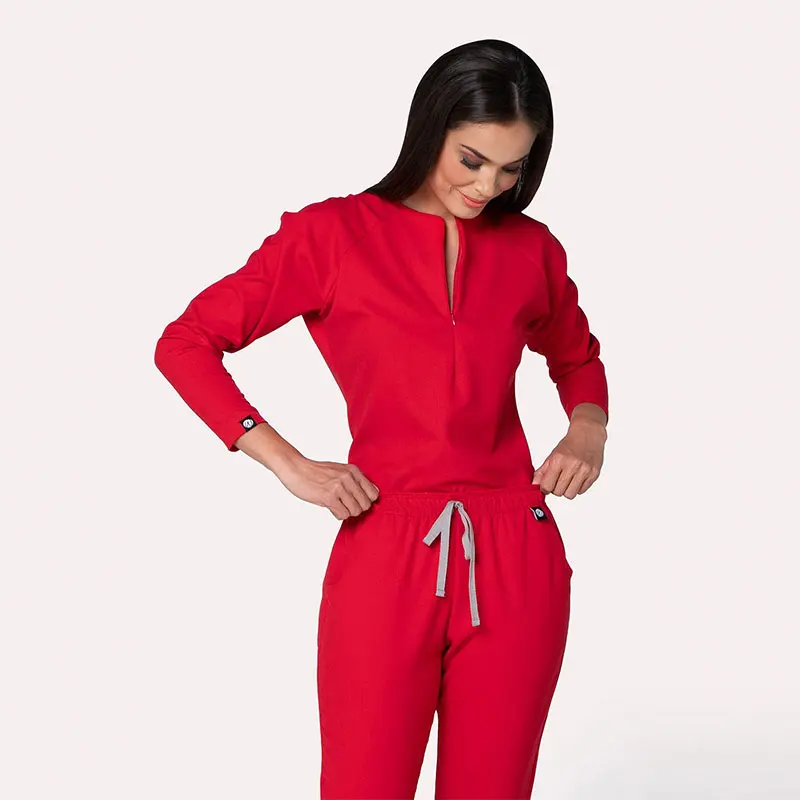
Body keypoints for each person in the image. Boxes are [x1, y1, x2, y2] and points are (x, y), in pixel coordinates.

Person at [154, 37, 609, 800]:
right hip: (386, 541)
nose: (488, 186)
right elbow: (186, 343)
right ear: (431, 128)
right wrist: (288, 463)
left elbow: (577, 359)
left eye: (512, 169)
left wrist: (587, 429)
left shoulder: (532, 250)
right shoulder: (332, 236)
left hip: (517, 550)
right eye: (472, 160)